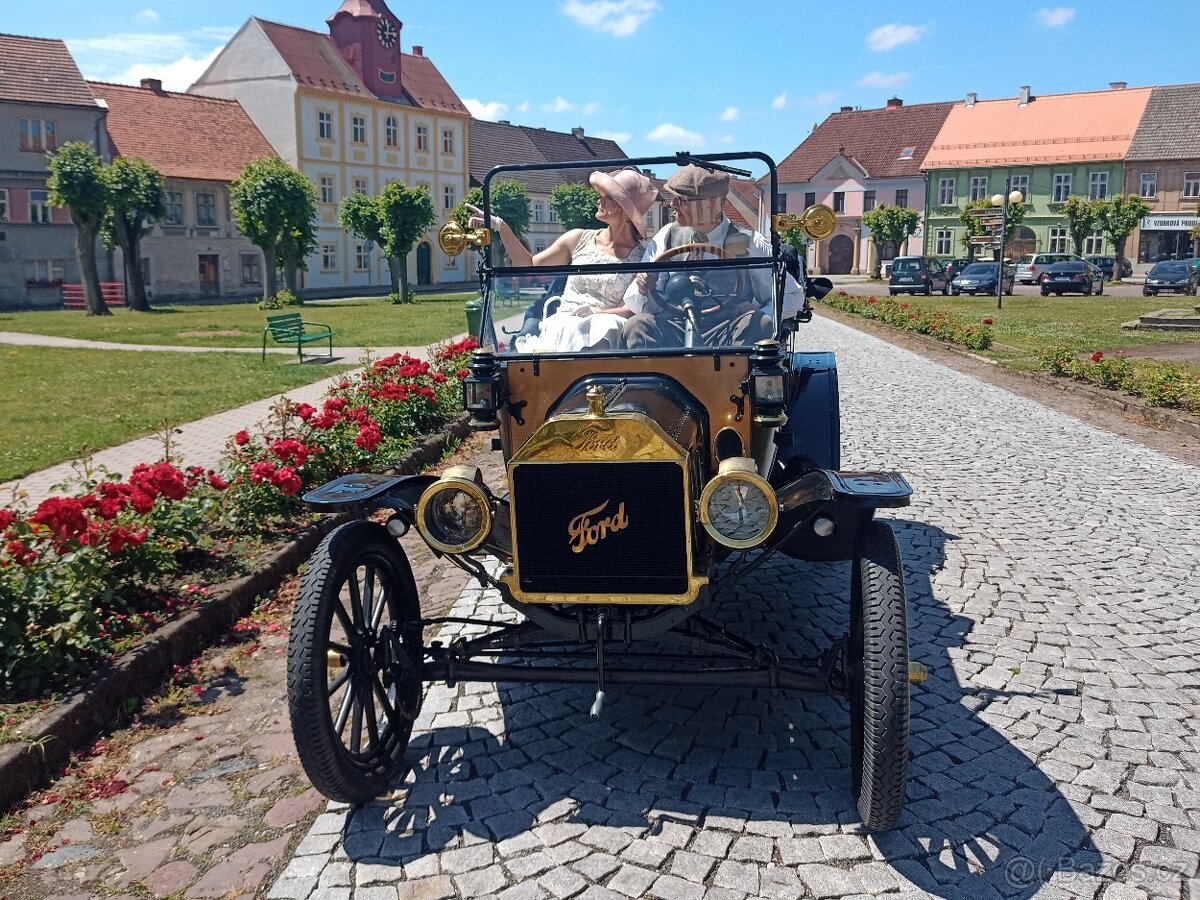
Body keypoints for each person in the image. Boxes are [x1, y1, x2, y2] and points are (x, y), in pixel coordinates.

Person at [468, 167, 658, 351]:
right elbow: (528, 265)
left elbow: (630, 309)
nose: (599, 200)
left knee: (602, 328)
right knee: (570, 328)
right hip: (565, 322)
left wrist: (596, 313)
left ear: (625, 211)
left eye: (608, 197)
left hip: (605, 329)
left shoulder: (641, 257)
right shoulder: (578, 238)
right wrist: (500, 226)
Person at [621, 164, 804, 349]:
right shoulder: (666, 236)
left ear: (710, 205)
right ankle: (657, 370)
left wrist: (761, 310)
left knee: (758, 322)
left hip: (728, 330)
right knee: (637, 326)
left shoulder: (749, 241)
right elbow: (639, 305)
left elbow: (793, 296)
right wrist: (644, 288)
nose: (672, 204)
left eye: (681, 199)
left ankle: (734, 370)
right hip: (675, 328)